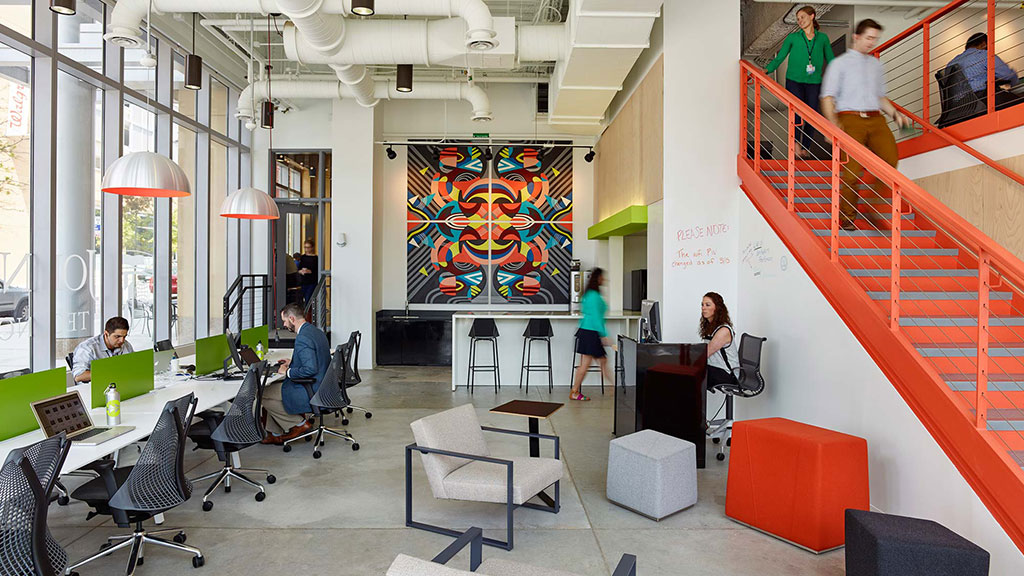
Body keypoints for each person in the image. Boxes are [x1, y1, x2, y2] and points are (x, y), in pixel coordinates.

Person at [820, 19, 910, 231]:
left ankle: (870, 204)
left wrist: (896, 115)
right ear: (856, 37)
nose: (872, 42)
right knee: (851, 173)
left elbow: (880, 97)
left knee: (891, 161)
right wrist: (834, 125)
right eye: (869, 38)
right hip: (849, 119)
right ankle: (847, 218)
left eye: (875, 39)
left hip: (876, 119)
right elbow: (827, 97)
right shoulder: (839, 64)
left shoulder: (876, 65)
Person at [764, 5, 835, 158]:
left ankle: (805, 147)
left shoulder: (822, 38)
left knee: (811, 114)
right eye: (798, 19)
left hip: (814, 82)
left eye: (802, 17)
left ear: (812, 16)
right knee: (795, 112)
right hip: (794, 81)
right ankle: (795, 142)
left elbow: (831, 59)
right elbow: (780, 57)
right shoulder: (793, 38)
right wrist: (767, 70)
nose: (800, 21)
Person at [261, 303, 331, 444]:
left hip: (311, 388)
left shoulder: (302, 338)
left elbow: (310, 369)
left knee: (262, 394)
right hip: (324, 384)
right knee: (269, 392)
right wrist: (292, 362)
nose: (285, 325)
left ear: (292, 319)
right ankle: (274, 433)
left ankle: (299, 424)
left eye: (285, 321)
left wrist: (287, 371)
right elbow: (314, 357)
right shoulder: (315, 331)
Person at [945, 32, 1021, 110]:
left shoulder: (951, 63)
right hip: (981, 101)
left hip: (957, 108)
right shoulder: (983, 54)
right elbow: (1008, 75)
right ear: (984, 44)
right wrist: (1015, 85)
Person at [570, 268, 614, 402]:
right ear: (598, 278)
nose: (604, 280)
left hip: (587, 331)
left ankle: (614, 388)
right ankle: (575, 391)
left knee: (596, 362)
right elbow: (596, 317)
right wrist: (604, 335)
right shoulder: (594, 296)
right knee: (590, 364)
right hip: (591, 332)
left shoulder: (589, 294)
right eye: (602, 277)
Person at [71, 316, 135, 383]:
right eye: (117, 336)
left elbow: (133, 365)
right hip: (92, 387)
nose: (122, 340)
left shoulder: (125, 345)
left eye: (124, 336)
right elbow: (78, 376)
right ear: (106, 334)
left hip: (119, 383)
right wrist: (109, 373)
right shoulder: (87, 348)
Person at [699, 292, 739, 390]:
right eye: (702, 305)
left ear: (717, 308)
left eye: (707, 305)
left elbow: (705, 353)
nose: (703, 308)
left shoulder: (723, 330)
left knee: (690, 374)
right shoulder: (711, 327)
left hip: (728, 374)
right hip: (714, 369)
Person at [298, 240, 319, 305]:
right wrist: (301, 271)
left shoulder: (316, 258)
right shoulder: (303, 257)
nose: (307, 249)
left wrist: (310, 271)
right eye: (305, 247)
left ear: (312, 247)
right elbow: (299, 268)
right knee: (302, 298)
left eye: (308, 247)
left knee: (308, 298)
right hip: (303, 281)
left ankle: (308, 313)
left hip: (312, 281)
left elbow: (317, 270)